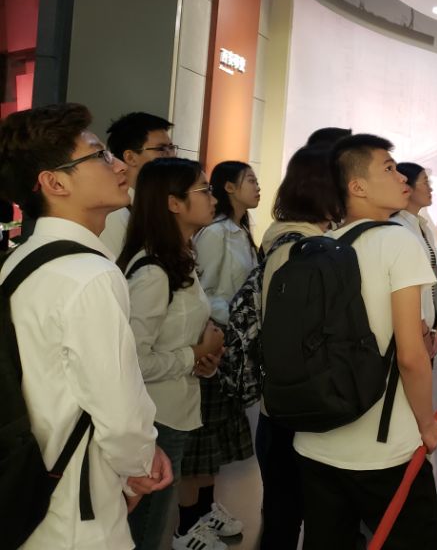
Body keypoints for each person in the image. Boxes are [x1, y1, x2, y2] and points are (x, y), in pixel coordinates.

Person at [0, 103, 172, 549]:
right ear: (55, 183)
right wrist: (139, 468)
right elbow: (120, 410)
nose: (119, 166)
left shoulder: (18, 261)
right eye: (99, 155)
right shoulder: (90, 275)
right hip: (79, 510)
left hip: (28, 494)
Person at [294, 134, 437, 550]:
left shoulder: (319, 246)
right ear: (357, 186)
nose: (402, 178)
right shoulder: (397, 241)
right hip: (383, 446)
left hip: (314, 440)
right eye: (389, 168)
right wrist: (427, 424)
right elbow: (411, 356)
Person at [119, 158, 225, 550]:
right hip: (156, 417)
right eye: (204, 190)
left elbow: (179, 337)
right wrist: (195, 353)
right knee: (145, 529)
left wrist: (206, 361)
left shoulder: (180, 258)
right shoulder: (153, 271)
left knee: (153, 523)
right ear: (173, 203)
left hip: (175, 409)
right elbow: (131, 362)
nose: (213, 198)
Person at [257, 144, 342, 549]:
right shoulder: (300, 247)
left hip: (286, 404)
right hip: (296, 406)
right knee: (288, 512)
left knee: (285, 510)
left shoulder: (295, 240)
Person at [178, 162, 262, 541]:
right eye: (250, 180)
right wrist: (230, 324)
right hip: (214, 342)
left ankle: (205, 513)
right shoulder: (216, 234)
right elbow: (205, 291)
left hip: (229, 343)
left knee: (215, 438)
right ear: (229, 187)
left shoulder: (239, 231)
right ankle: (188, 524)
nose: (257, 187)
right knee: (203, 438)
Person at [101, 112, 177, 256]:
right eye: (161, 149)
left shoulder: (158, 204)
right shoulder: (114, 213)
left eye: (171, 148)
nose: (172, 156)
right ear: (130, 157)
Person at [394, 162, 437, 359]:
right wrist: (423, 331)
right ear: (407, 187)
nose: (430, 188)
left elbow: (433, 277)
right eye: (425, 182)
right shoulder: (397, 228)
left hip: (428, 327)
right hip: (412, 330)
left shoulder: (423, 228)